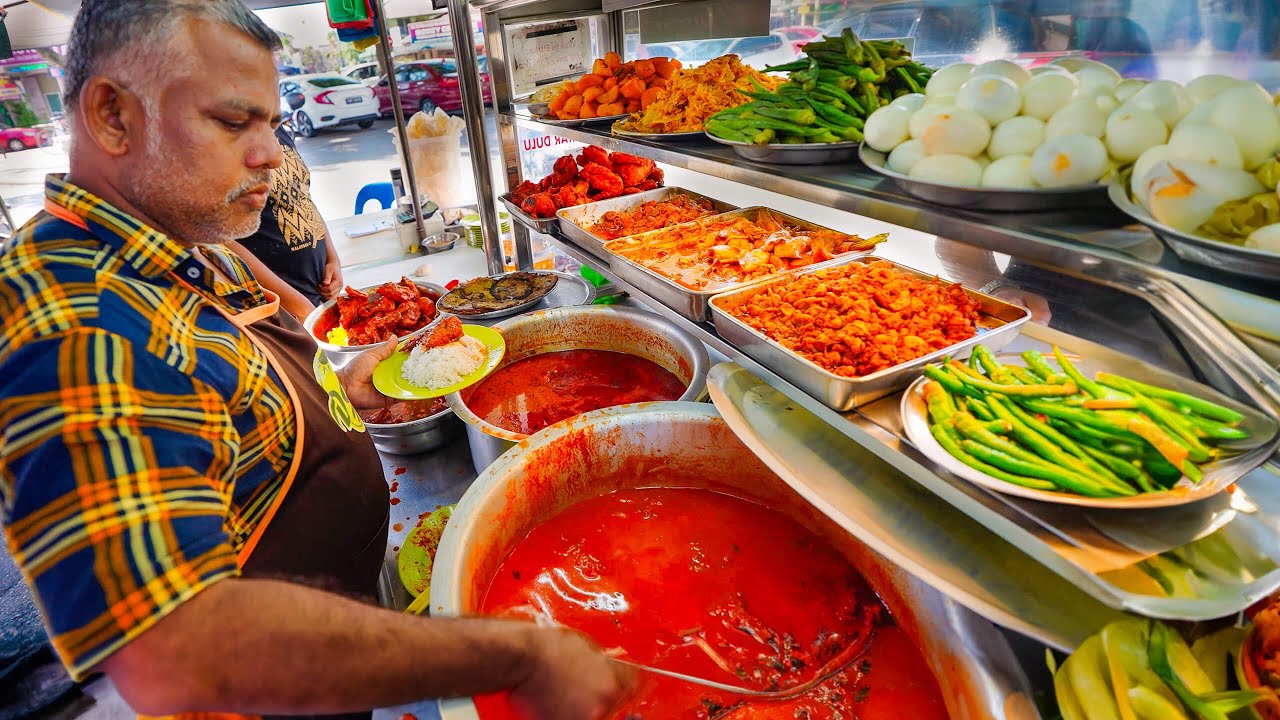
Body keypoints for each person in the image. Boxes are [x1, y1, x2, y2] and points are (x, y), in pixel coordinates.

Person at [0, 2, 631, 719]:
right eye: (234, 122)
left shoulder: (182, 247)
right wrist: (516, 654)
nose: (271, 154)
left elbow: (245, 396)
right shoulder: (80, 327)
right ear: (112, 115)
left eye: (272, 124)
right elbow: (176, 651)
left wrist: (352, 385)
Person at [227, 122, 347, 321]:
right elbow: (222, 241)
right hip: (281, 310)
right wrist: (296, 304)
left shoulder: (278, 129)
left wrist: (332, 259)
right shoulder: (229, 140)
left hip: (317, 295)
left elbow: (302, 197)